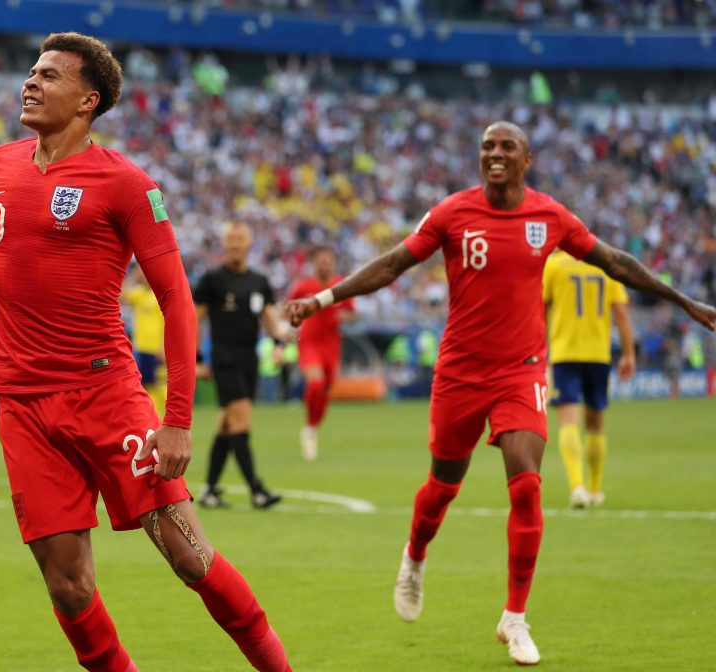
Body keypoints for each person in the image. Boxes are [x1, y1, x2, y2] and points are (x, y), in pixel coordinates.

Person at [0, 33, 291, 672]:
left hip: (106, 395)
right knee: (67, 583)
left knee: (189, 554)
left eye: (49, 75)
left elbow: (177, 301)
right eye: (31, 71)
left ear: (88, 101)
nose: (31, 81)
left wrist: (179, 419)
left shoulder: (127, 183)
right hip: (23, 404)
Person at [286, 121, 716, 666]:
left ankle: (514, 617)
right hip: (460, 373)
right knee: (442, 489)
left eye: (506, 147)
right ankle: (415, 555)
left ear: (526, 160)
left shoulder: (550, 216)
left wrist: (685, 302)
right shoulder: (451, 213)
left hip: (521, 371)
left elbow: (616, 263)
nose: (494, 153)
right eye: (487, 145)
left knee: (527, 484)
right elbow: (394, 264)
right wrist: (323, 298)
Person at [193, 221, 287, 509]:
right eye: (230, 239)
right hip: (224, 358)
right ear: (224, 244)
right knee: (242, 420)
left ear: (249, 244)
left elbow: (270, 317)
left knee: (227, 425)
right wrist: (196, 357)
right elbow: (195, 319)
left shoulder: (259, 281)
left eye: (240, 239)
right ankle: (257, 491)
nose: (235, 244)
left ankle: (209, 491)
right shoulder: (212, 280)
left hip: (250, 359)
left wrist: (280, 344)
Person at [543, 250, 636, 508]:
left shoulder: (553, 265)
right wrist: (628, 353)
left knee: (568, 422)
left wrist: (537, 349)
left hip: (564, 352)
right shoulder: (604, 265)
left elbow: (540, 308)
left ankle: (577, 488)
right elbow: (621, 313)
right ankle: (595, 490)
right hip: (598, 353)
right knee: (595, 424)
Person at [285, 246, 355, 460]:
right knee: (315, 383)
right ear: (314, 264)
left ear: (333, 263)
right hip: (309, 343)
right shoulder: (304, 287)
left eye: (328, 261)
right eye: (321, 261)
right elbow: (288, 308)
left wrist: (345, 317)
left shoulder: (340, 286)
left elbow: (352, 313)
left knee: (324, 390)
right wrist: (289, 327)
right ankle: (309, 428)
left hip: (332, 346)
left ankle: (312, 427)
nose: (324, 265)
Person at [121, 264, 167, 415]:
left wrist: (163, 346)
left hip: (157, 347)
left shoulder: (160, 294)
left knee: (159, 383)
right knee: (146, 383)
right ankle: (151, 415)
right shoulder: (139, 294)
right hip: (141, 346)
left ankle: (159, 416)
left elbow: (167, 322)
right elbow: (121, 295)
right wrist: (134, 275)